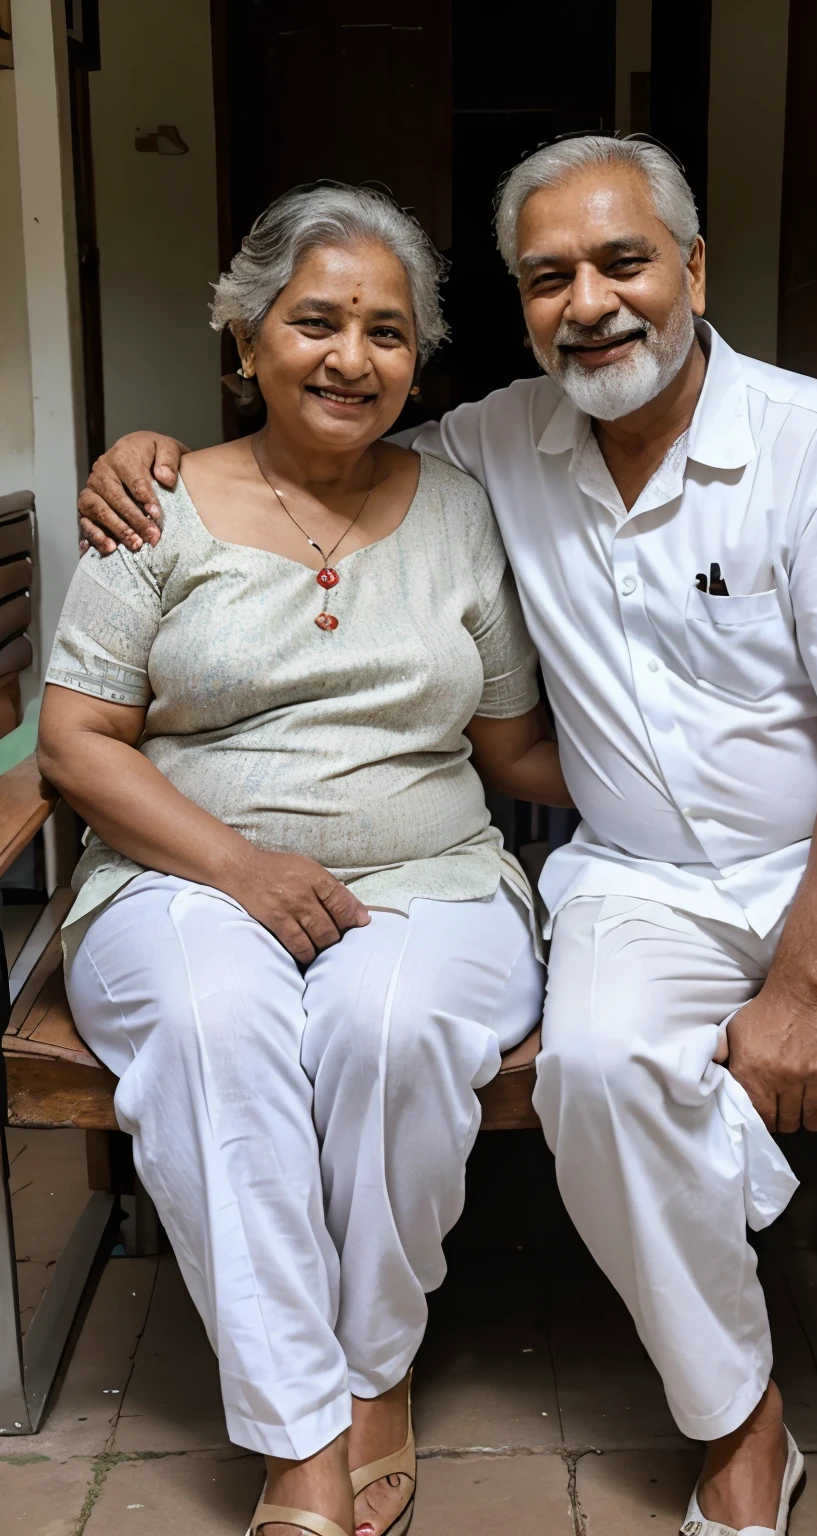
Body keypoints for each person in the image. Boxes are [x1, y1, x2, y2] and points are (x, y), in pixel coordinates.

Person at [80, 137, 817, 1536]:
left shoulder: (816, 443)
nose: (591, 303)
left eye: (624, 262)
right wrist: (147, 450)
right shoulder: (490, 445)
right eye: (549, 277)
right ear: (522, 310)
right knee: (590, 1070)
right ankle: (741, 1423)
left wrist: (803, 989)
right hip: (645, 880)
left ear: (693, 272)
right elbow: (323, 451)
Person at [43, 181, 570, 1536]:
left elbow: (514, 752)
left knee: (392, 1032)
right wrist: (240, 869)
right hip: (176, 877)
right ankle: (300, 1439)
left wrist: (714, 785)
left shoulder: (460, 511)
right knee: (220, 1029)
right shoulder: (152, 502)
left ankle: (372, 1371)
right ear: (247, 336)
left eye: (386, 331)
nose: (351, 356)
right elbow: (82, 740)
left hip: (435, 876)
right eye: (316, 321)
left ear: (418, 358)